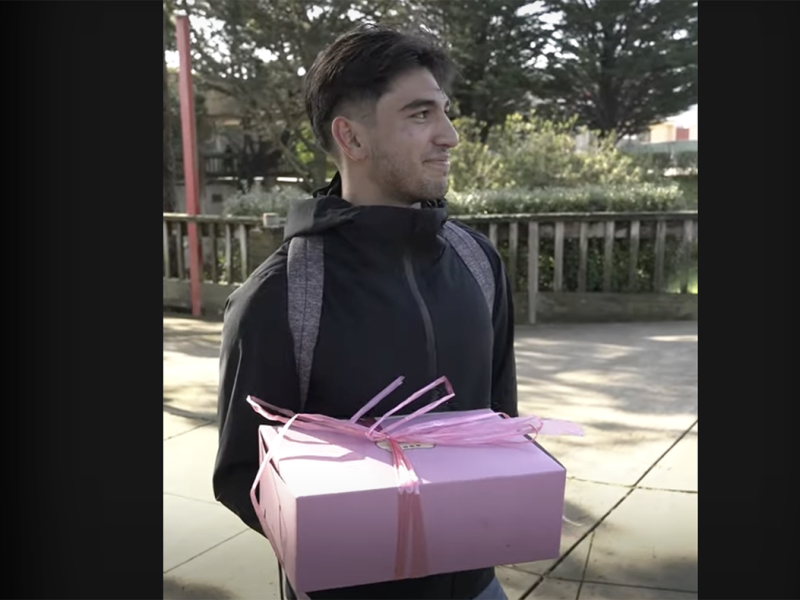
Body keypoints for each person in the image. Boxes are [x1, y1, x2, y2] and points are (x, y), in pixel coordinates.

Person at [213, 24, 518, 600]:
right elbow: (243, 478)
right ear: (350, 138)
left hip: (480, 587)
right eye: (420, 115)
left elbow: (502, 423)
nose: (449, 136)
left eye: (445, 113)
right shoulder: (280, 295)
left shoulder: (479, 262)